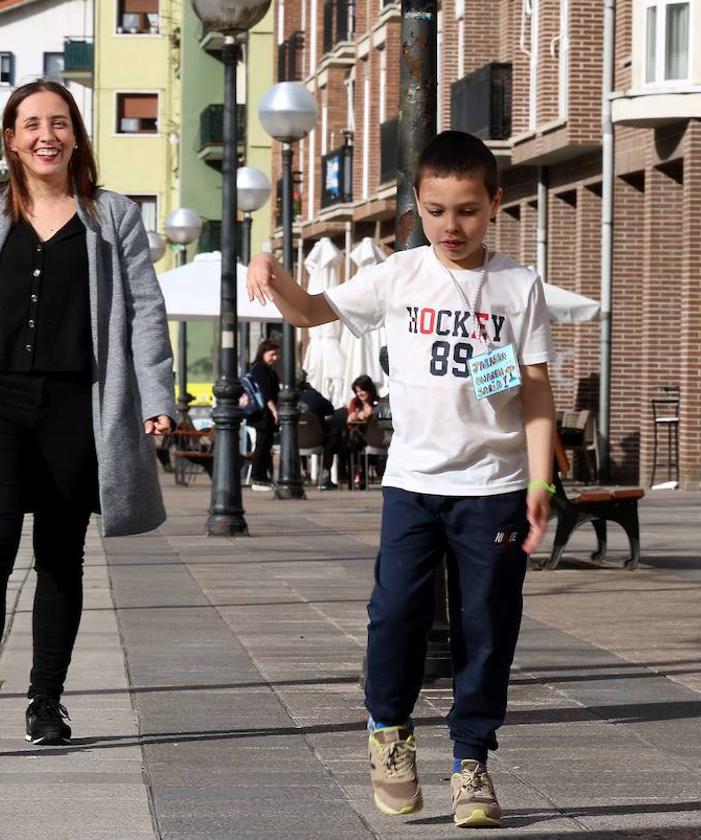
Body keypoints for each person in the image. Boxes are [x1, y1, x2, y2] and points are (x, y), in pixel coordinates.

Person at [247, 130, 555, 828]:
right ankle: (389, 732)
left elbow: (535, 387)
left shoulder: (517, 285)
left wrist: (542, 483)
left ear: (495, 204)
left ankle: (471, 761)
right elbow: (311, 311)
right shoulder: (400, 274)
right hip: (413, 484)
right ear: (417, 205)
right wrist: (270, 265)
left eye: (469, 210)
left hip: (497, 486)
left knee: (488, 625)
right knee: (395, 616)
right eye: (439, 210)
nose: (454, 225)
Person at [0, 80, 175, 753]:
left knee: (60, 556)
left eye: (57, 122)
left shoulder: (111, 215)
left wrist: (158, 397)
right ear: (12, 139)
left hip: (76, 409)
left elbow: (144, 309)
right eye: (30, 124)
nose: (44, 135)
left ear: (76, 135)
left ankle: (45, 702)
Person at [294, 369, 340, 491]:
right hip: (316, 439)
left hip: (294, 441)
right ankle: (325, 476)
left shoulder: (285, 398)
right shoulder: (313, 395)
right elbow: (330, 409)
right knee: (333, 437)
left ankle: (301, 473)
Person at [246, 338, 280, 491]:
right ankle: (257, 477)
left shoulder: (266, 369)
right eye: (272, 354)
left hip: (265, 414)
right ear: (263, 353)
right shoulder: (259, 368)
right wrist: (274, 410)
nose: (275, 358)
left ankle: (263, 476)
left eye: (276, 355)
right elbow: (265, 392)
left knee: (266, 445)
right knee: (262, 445)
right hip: (262, 414)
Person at [343, 374, 381, 488]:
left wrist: (363, 415)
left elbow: (375, 416)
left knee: (358, 442)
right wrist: (359, 415)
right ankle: (356, 474)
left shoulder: (377, 402)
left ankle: (362, 475)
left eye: (362, 390)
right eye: (357, 391)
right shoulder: (355, 402)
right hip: (358, 437)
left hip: (375, 436)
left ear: (369, 389)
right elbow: (350, 418)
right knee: (353, 441)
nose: (360, 394)